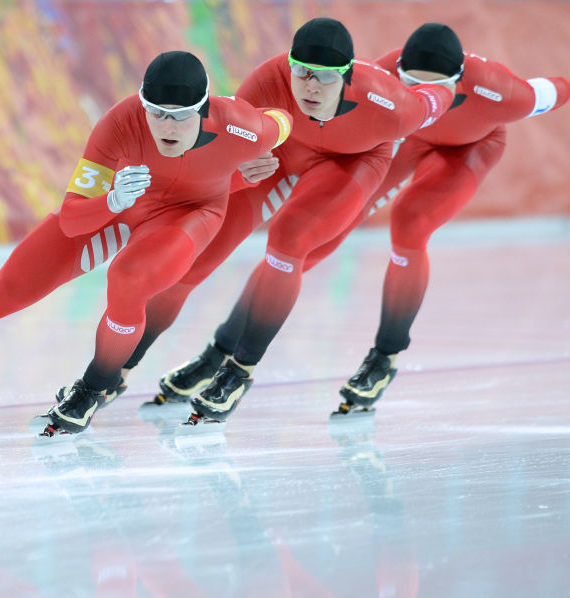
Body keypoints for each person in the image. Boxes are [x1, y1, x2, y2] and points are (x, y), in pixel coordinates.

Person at [0, 50, 292, 436]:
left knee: (128, 279)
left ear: (204, 111)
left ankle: (96, 385)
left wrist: (257, 161)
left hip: (190, 216)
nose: (165, 127)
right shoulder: (120, 123)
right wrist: (110, 201)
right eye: (156, 114)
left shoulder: (240, 125)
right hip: (121, 207)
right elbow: (73, 216)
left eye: (179, 117)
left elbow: (282, 121)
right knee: (0, 291)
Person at [119, 18, 457, 425]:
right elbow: (226, 141)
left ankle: (238, 370)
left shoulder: (395, 106)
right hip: (281, 153)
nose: (311, 87)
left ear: (347, 78)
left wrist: (454, 81)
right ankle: (120, 367)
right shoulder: (269, 80)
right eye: (302, 72)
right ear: (290, 65)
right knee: (195, 255)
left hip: (351, 162)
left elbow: (438, 95)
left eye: (326, 78)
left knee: (288, 239)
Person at [297, 24, 569, 415]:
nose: (430, 99)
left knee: (410, 222)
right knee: (342, 207)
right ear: (399, 73)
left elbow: (559, 88)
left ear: (459, 81)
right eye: (412, 84)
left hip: (471, 146)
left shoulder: (506, 93)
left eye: (440, 89)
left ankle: (384, 356)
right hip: (407, 134)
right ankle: (254, 315)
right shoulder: (378, 75)